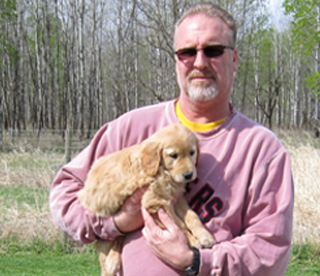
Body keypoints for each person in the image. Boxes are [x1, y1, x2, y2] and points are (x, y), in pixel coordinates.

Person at [49, 2, 294, 276]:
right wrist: (115, 224)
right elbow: (64, 194)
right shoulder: (131, 127)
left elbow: (270, 251)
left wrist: (196, 262)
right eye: (188, 52)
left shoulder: (262, 150)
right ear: (176, 60)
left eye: (213, 50)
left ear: (234, 59)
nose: (199, 62)